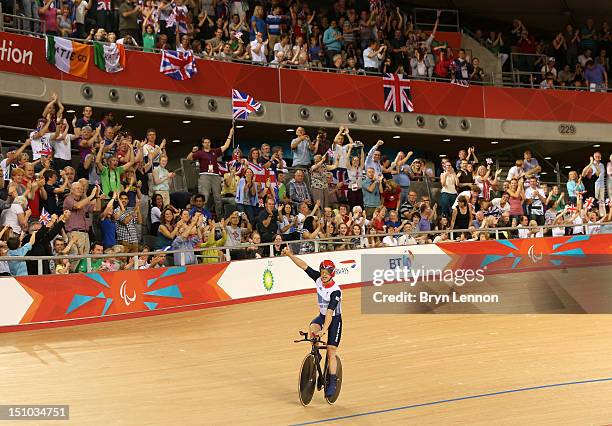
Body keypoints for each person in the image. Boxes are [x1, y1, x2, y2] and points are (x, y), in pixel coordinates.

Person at [283, 246, 341, 398]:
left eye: (326, 274)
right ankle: (316, 354)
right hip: (322, 316)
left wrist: (324, 330)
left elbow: (329, 313)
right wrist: (290, 255)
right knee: (312, 328)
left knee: (331, 351)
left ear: (332, 274)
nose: (323, 276)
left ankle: (333, 381)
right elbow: (303, 265)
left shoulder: (335, 291)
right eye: (322, 273)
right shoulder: (318, 279)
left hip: (334, 319)